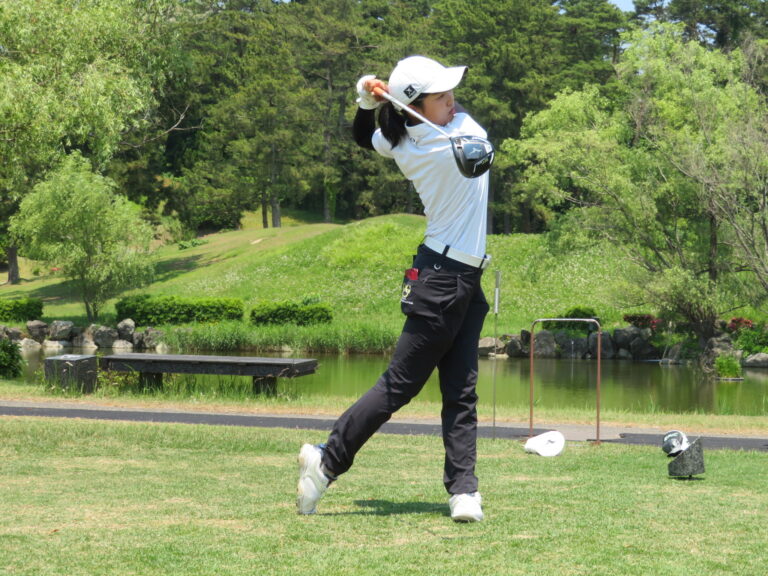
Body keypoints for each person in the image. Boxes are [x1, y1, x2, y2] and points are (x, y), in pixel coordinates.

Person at [297, 55, 491, 522]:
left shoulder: (402, 138)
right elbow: (473, 151)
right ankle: (327, 460)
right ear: (415, 107)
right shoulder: (459, 137)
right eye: (440, 96)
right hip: (444, 279)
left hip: (461, 278)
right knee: (399, 386)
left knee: (461, 391)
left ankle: (463, 491)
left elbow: (366, 136)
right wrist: (375, 98)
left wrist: (366, 101)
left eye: (449, 93)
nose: (452, 100)